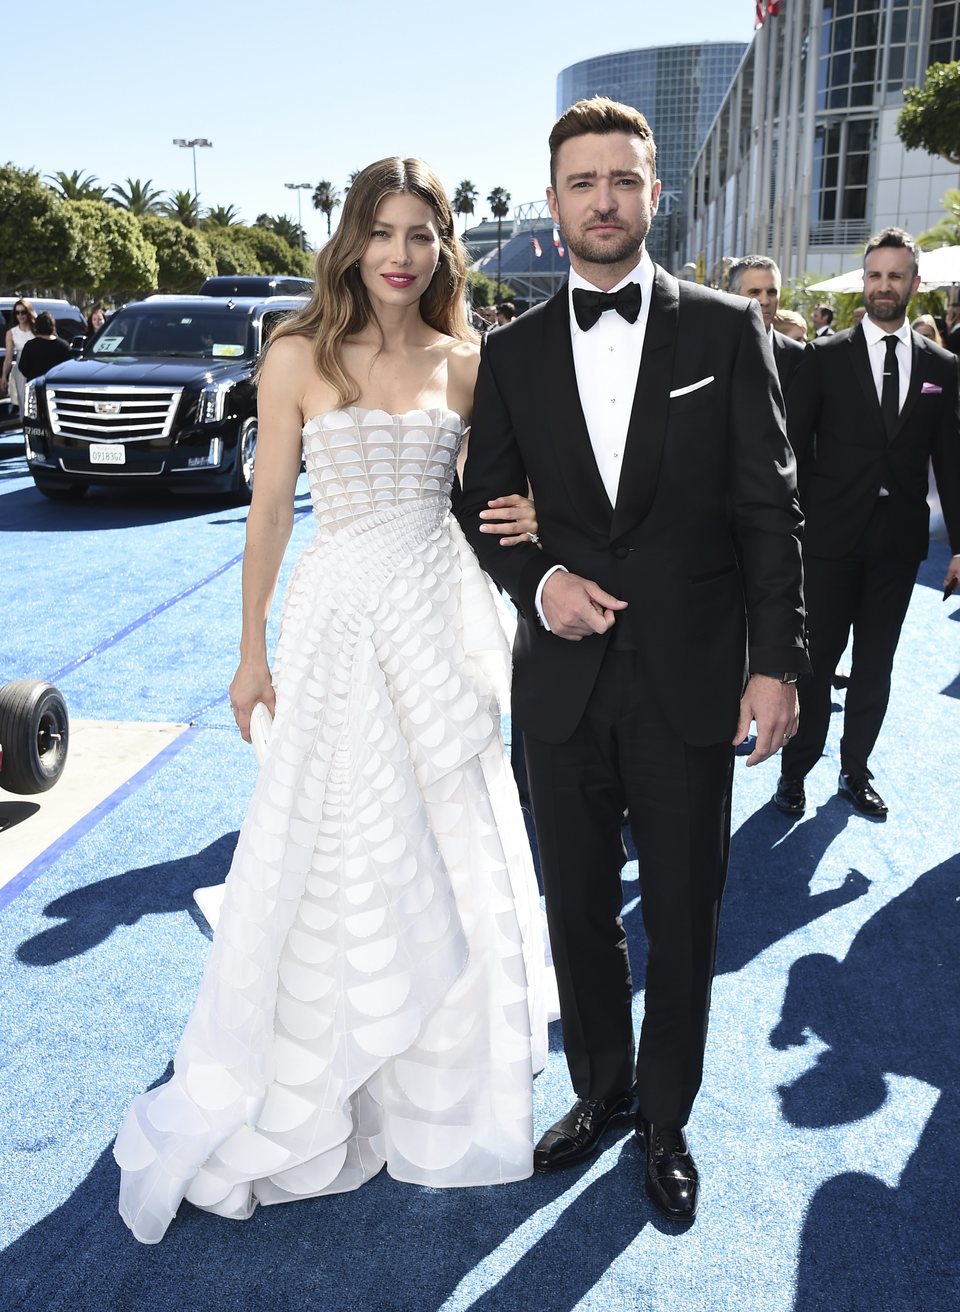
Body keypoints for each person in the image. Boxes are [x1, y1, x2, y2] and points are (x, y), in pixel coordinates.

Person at [114, 156, 554, 1244]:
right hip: (339, 616)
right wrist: (249, 651)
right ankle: (319, 1065)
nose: (402, 255)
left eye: (422, 235)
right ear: (352, 240)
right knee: (335, 831)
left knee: (446, 826)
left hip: (438, 617)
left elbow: (492, 493)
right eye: (384, 232)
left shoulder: (468, 362)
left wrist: (535, 513)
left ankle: (432, 1075)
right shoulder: (299, 353)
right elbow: (268, 513)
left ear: (444, 247)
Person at [458, 97, 808, 1222]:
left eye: (623, 179)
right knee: (576, 910)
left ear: (656, 195)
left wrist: (778, 663)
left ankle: (666, 1115)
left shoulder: (723, 330)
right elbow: (483, 502)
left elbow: (770, 509)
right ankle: (601, 1089)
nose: (603, 199)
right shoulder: (507, 354)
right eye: (581, 181)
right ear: (553, 202)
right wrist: (541, 582)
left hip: (694, 681)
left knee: (685, 910)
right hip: (558, 692)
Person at [774, 228, 960, 819]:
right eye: (875, 275)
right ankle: (795, 773)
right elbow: (792, 449)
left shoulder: (942, 365)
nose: (884, 286)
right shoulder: (824, 357)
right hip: (828, 538)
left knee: (875, 664)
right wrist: (785, 528)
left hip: (899, 543)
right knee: (817, 662)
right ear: (864, 282)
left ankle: (855, 770)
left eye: (895, 276)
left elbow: (951, 460)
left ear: (914, 283)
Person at [728, 255, 804, 395]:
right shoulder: (713, 350)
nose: (765, 300)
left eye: (772, 292)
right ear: (733, 295)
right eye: (755, 292)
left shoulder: (800, 357)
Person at [1, 298, 37, 414]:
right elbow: (8, 357)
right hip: (20, 369)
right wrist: (4, 376)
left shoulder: (36, 330)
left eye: (23, 312)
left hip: (36, 366)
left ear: (28, 312)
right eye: (17, 312)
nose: (20, 315)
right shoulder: (11, 333)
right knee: (23, 403)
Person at [16, 311, 72, 382]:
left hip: (35, 384)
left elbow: (23, 368)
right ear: (52, 326)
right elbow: (69, 367)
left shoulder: (30, 345)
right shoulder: (63, 345)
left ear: (36, 326)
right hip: (56, 385)